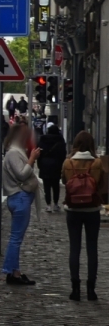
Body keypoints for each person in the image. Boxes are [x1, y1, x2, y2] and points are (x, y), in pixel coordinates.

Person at [61, 131, 105, 301]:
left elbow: (65, 182)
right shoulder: (97, 163)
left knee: (74, 248)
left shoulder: (67, 163)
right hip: (92, 210)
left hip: (73, 211)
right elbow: (100, 185)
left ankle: (75, 288)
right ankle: (91, 290)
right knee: (92, 249)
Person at [2, 122, 41, 286]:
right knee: (16, 238)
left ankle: (15, 271)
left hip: (19, 198)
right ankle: (11, 272)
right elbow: (22, 174)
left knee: (16, 238)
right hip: (20, 198)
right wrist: (32, 159)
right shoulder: (13, 153)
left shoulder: (15, 152)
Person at [37, 122, 67, 212]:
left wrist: (40, 164)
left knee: (46, 186)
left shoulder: (42, 140)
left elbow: (39, 153)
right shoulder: (60, 140)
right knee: (56, 186)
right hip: (56, 165)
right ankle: (56, 204)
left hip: (45, 165)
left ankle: (48, 204)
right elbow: (63, 154)